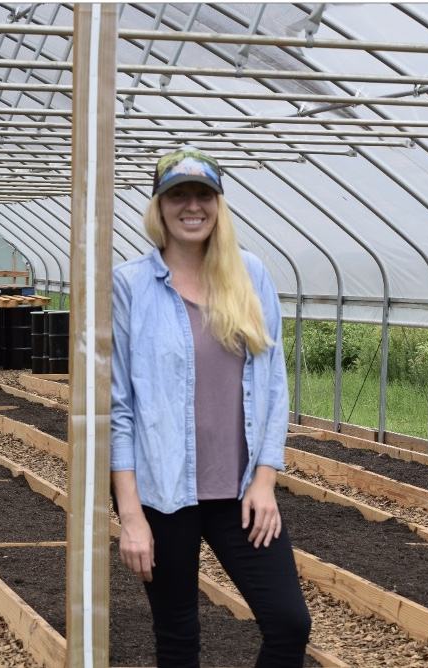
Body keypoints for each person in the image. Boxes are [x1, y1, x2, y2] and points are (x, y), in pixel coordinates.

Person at [110, 145, 311, 667]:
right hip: (162, 492)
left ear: (219, 205)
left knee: (289, 622)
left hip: (240, 490)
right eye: (178, 195)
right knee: (178, 637)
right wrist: (131, 516)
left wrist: (265, 480)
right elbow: (120, 409)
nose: (191, 206)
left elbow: (273, 385)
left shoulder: (250, 275)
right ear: (159, 206)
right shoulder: (129, 285)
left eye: (204, 194)